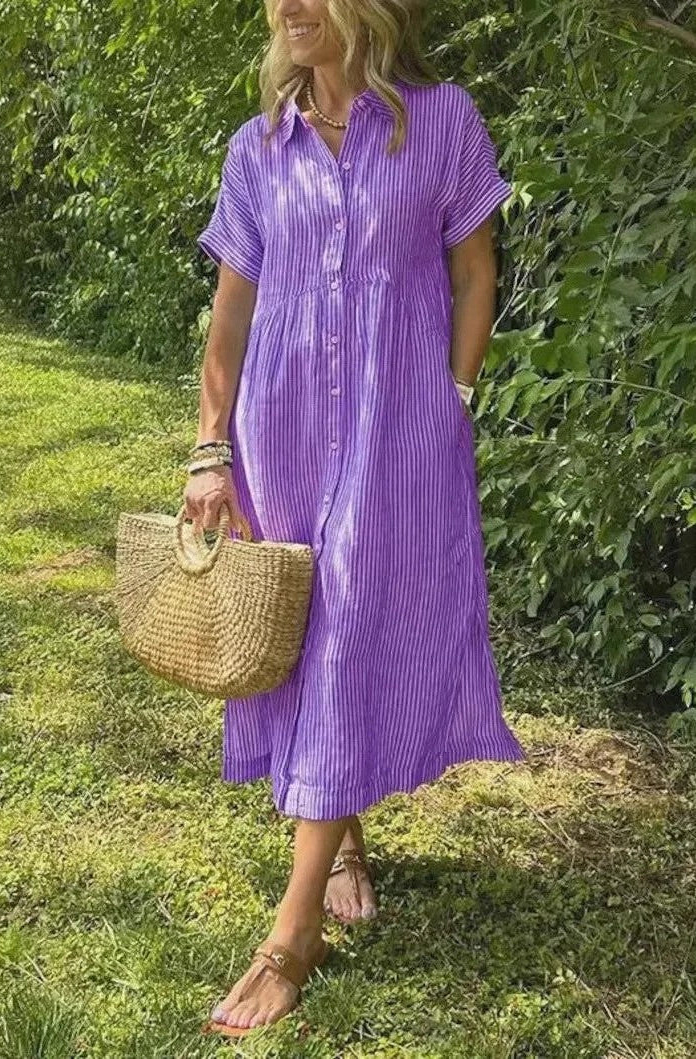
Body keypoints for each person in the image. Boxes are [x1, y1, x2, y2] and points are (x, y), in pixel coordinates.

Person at [187, 0, 526, 1039]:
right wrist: (209, 449)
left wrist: (449, 399)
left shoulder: (442, 120)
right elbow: (231, 311)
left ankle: (291, 935)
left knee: (346, 631)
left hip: (395, 431)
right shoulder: (257, 149)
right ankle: (341, 838)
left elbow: (474, 272)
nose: (287, 6)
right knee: (305, 638)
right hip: (282, 428)